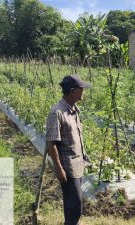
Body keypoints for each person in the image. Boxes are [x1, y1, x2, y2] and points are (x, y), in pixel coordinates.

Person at [45, 75, 92, 225]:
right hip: (68, 168)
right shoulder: (57, 112)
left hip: (78, 164)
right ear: (72, 91)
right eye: (81, 89)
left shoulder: (74, 110)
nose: (83, 92)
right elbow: (51, 144)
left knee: (74, 205)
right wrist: (59, 170)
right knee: (74, 206)